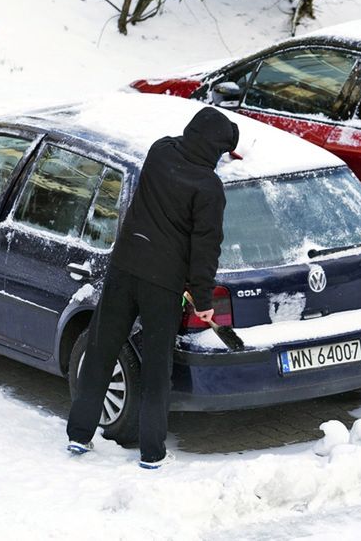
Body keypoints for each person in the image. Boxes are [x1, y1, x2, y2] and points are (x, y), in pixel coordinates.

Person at [66, 106, 239, 469]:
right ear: (215, 150)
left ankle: (79, 436)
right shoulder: (209, 188)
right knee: (157, 367)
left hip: (125, 267)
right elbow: (205, 247)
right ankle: (151, 453)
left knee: (101, 349)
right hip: (163, 284)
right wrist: (203, 299)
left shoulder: (160, 151)